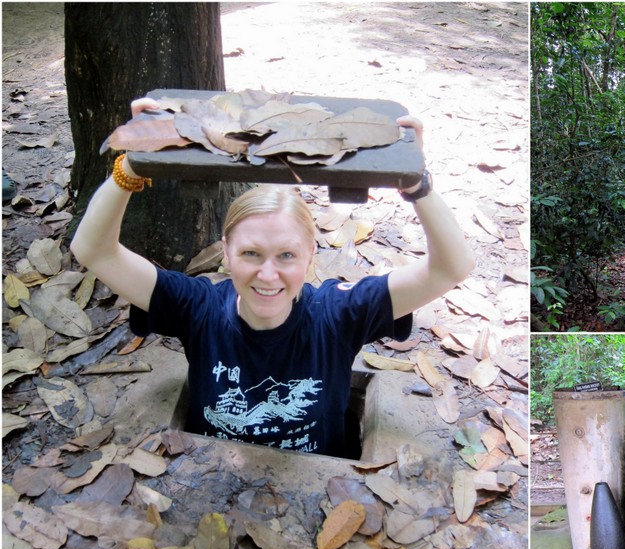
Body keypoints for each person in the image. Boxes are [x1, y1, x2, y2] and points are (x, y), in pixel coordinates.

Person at [70, 98, 474, 458]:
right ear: (226, 251)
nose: (268, 274)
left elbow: (451, 268)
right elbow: (93, 250)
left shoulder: (338, 313)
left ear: (310, 255)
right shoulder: (198, 306)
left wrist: (416, 183)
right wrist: (131, 165)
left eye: (286, 255)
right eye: (250, 254)